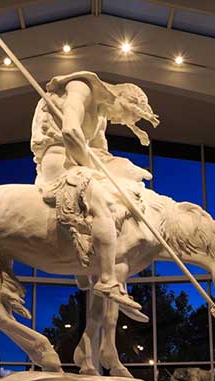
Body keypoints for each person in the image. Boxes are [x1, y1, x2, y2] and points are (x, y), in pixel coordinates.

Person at [30, 71, 159, 322]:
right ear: (122, 98)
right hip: (59, 159)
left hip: (80, 160)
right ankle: (107, 279)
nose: (121, 121)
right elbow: (70, 132)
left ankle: (88, 258)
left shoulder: (101, 114)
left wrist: (123, 168)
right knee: (99, 195)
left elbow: (101, 150)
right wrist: (95, 170)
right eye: (126, 116)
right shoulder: (80, 89)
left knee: (128, 188)